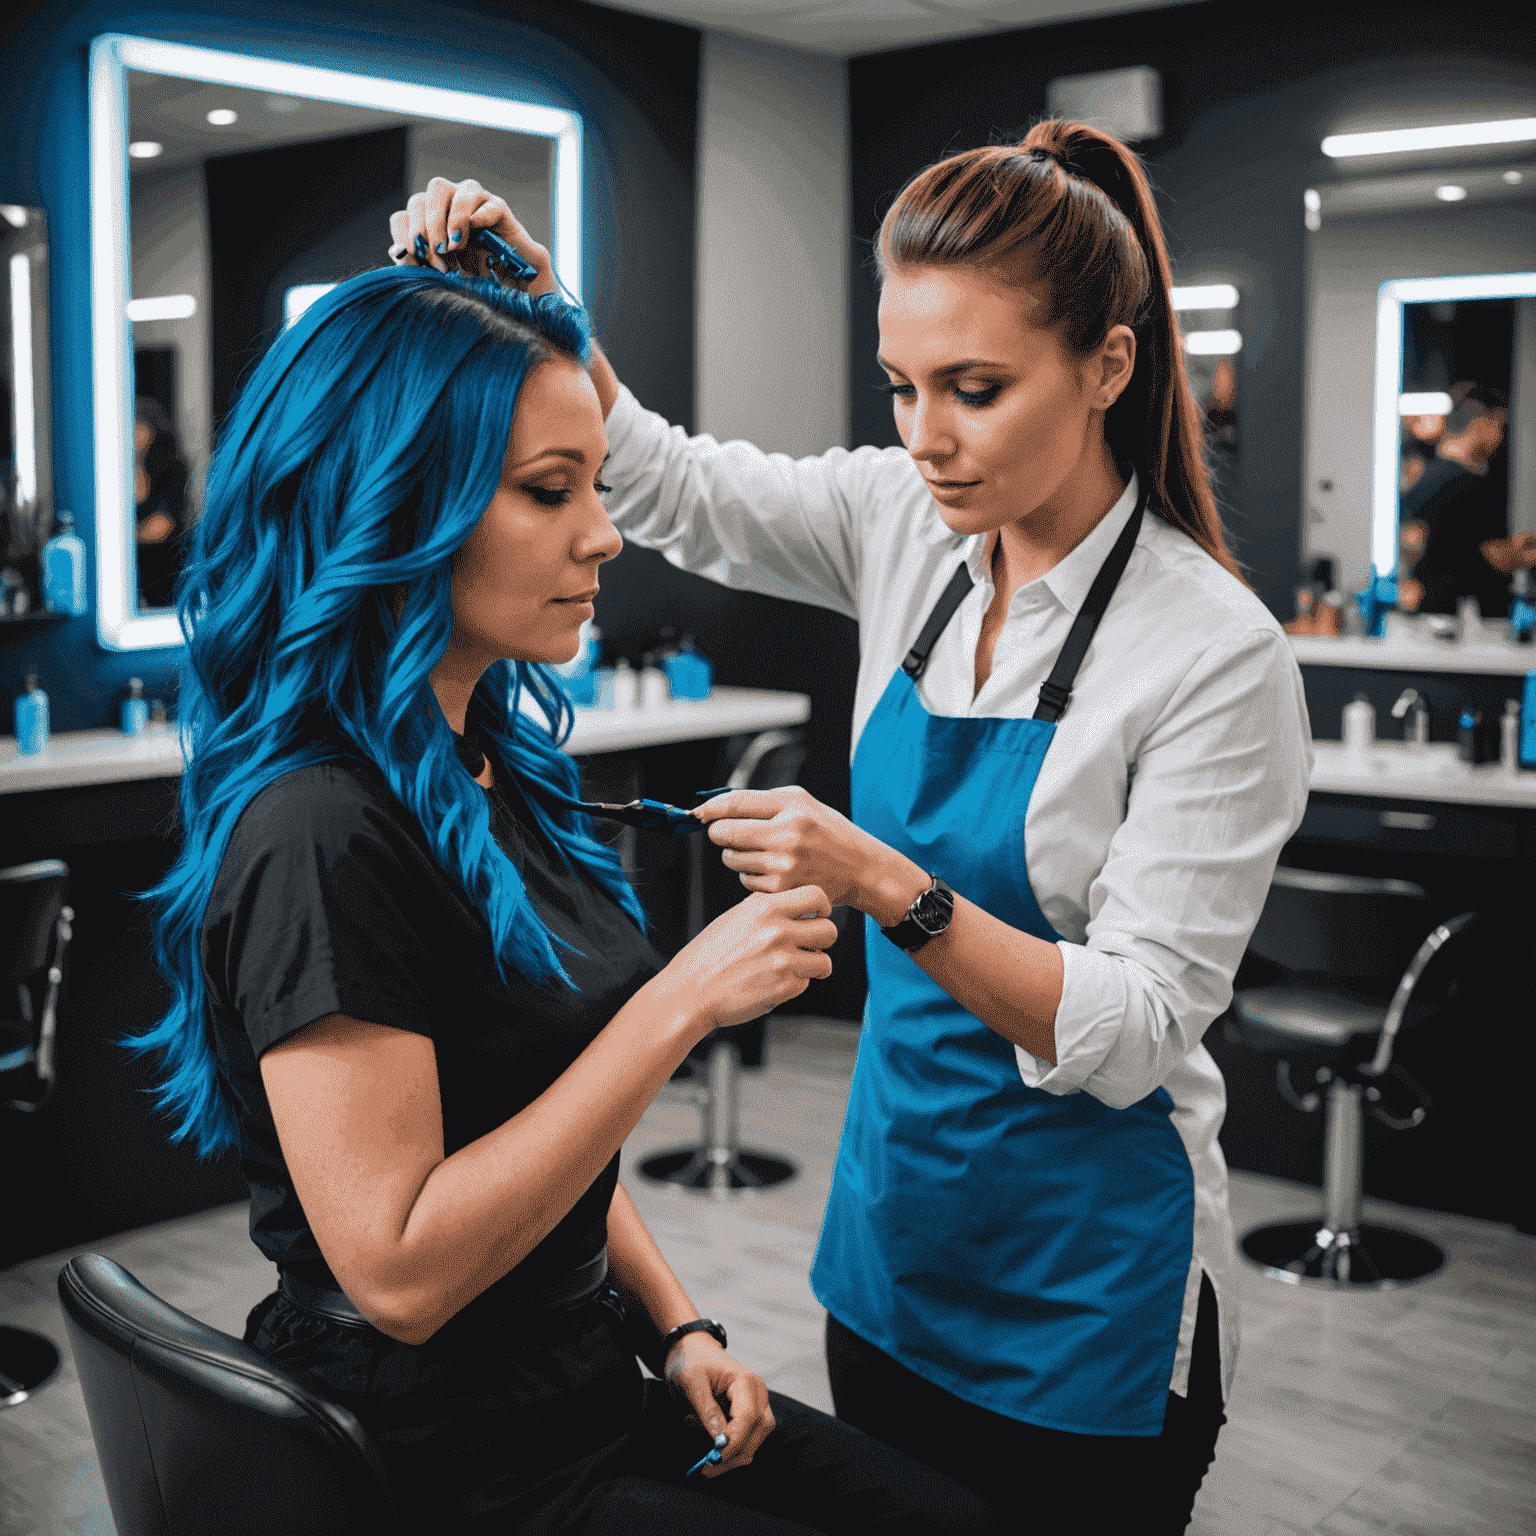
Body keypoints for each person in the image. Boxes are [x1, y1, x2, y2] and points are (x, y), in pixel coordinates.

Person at [393, 115, 1312, 1534]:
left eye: (976, 389)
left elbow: (1133, 1036)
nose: (927, 437)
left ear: (1108, 367)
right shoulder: (909, 524)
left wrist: (891, 883)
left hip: (1088, 1287)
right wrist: (545, 309)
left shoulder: (1213, 653)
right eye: (900, 388)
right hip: (898, 1240)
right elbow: (674, 483)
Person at [123, 267, 995, 1536]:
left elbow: (547, 1128)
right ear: (395, 503)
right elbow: (403, 1274)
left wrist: (678, 1324)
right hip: (443, 1455)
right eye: (549, 490)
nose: (604, 532)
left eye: (594, 482)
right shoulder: (319, 829)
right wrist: (685, 1000)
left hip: (579, 1377)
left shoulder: (497, 766)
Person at [1398, 385, 1532, 618]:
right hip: (1465, 615)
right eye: (1498, 425)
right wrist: (1523, 556)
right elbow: (1490, 555)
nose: (1500, 436)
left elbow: (1457, 545)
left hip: (1431, 609)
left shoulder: (1426, 478)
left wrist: (1513, 546)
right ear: (1481, 423)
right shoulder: (1467, 483)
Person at [133, 395, 189, 609]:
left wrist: (118, 539)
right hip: (132, 572)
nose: (132, 434)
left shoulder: (172, 467)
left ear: (153, 430)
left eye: (139, 426)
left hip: (164, 569)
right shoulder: (117, 470)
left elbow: (159, 528)